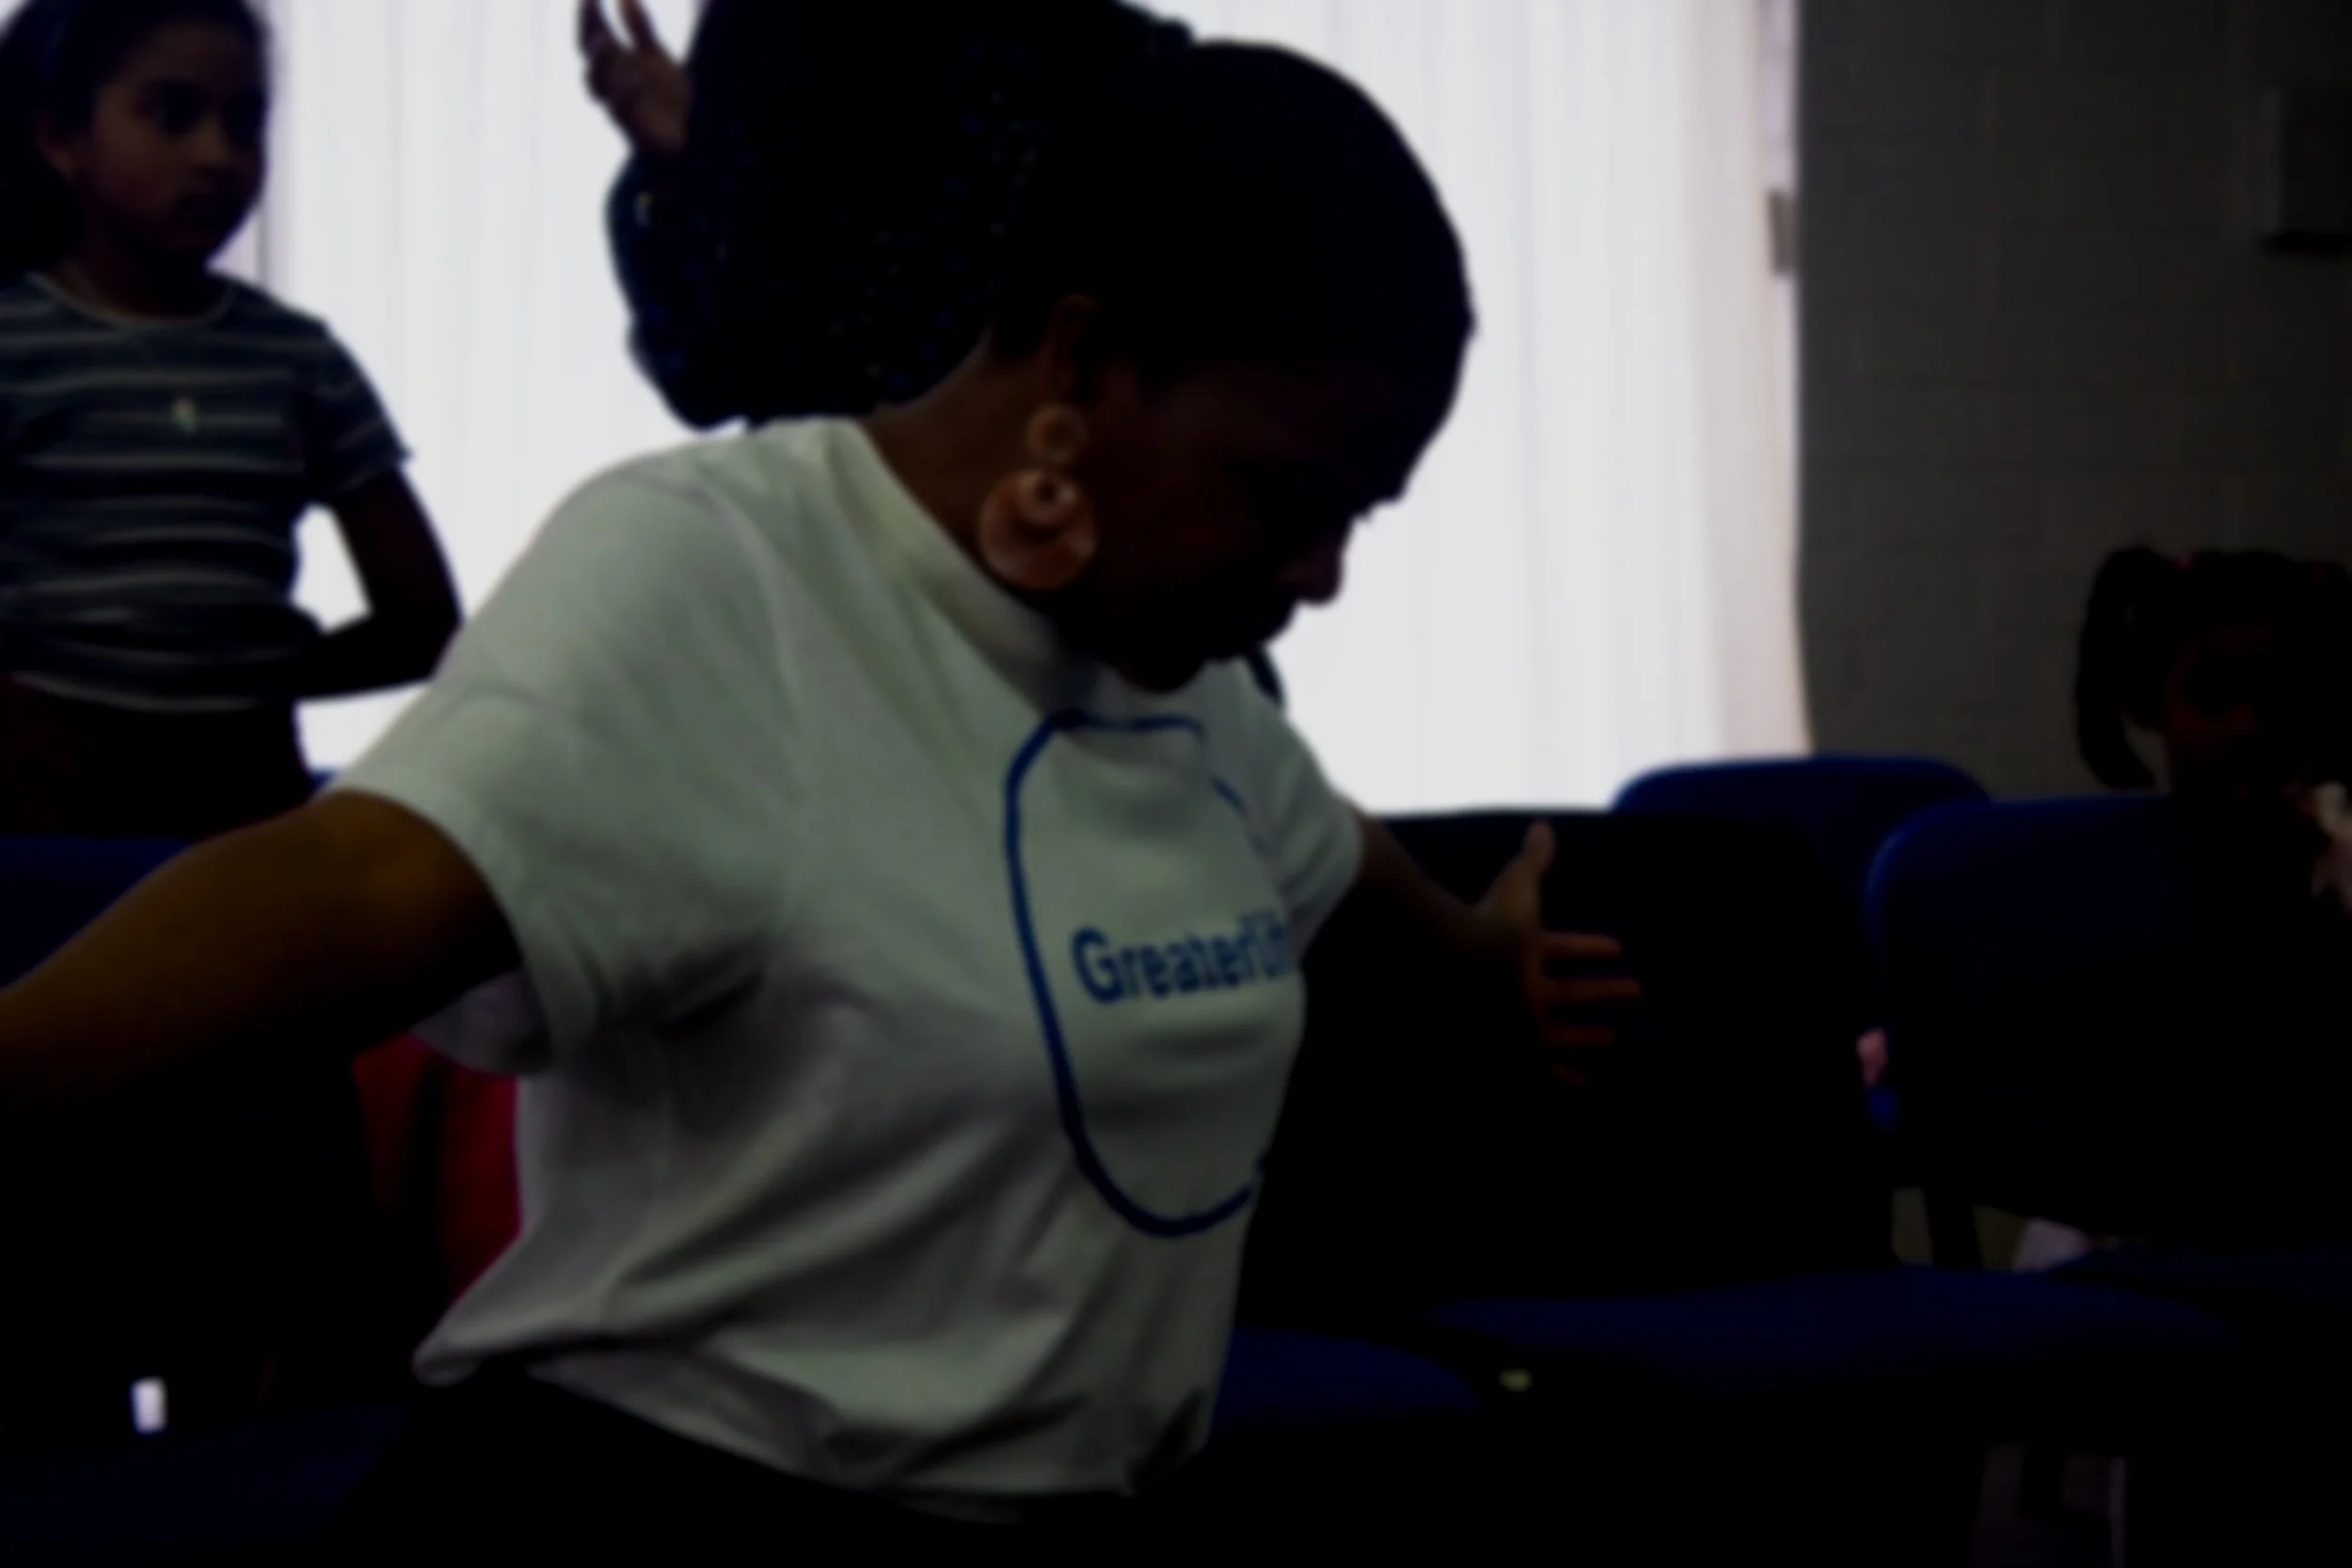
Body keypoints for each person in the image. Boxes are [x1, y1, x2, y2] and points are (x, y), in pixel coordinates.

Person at [0, 42, 1632, 1546]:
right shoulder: (730, 565)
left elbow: (1321, 854)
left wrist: (1493, 963)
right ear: (1083, 354)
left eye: (1360, 513)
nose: (1324, 572)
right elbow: (361, 883)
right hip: (668, 1516)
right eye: (1288, 496)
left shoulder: (1174, 670)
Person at [578, 1, 1299, 706]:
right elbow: (705, 369)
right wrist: (684, 176)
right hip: (842, 610)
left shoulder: (1131, 70)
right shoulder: (774, 28)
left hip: (1082, 619)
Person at [0, 0, 459, 840]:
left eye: (246, 122)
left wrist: (234, 677)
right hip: (41, 803)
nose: (219, 155)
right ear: (61, 139)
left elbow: (423, 620)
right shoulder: (13, 339)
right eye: (172, 114)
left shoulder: (301, 361)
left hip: (243, 805)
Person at [2011, 546, 2352, 1271]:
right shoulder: (2096, 893)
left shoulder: (2340, 861)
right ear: (2150, 705)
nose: (2248, 725)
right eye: (2214, 694)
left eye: (2280, 697)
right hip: (2124, 1252)